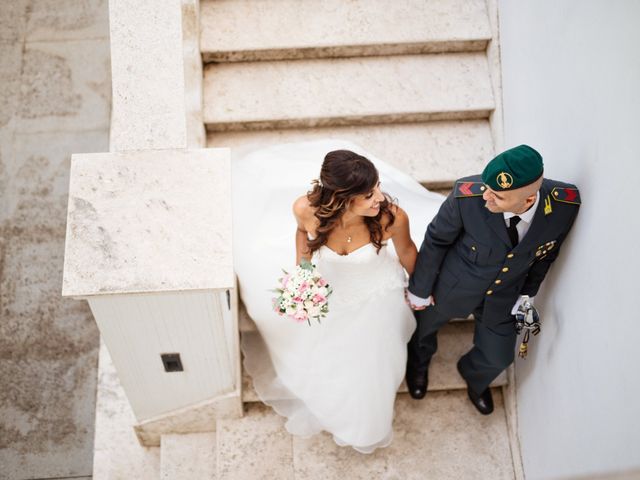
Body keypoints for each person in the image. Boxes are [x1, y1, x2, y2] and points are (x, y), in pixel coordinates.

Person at [232, 140, 443, 453]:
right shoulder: (305, 209)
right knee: (331, 354)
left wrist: (421, 289)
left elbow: (408, 251)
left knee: (375, 361)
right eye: (369, 195)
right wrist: (302, 272)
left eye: (378, 188)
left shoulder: (391, 218)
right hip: (332, 297)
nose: (380, 198)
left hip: (377, 299)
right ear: (341, 199)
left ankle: (370, 412)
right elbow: (303, 234)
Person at [405, 144, 581, 415]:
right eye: (487, 187)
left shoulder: (564, 206)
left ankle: (473, 376)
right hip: (454, 285)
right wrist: (420, 287)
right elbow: (437, 239)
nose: (486, 197)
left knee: (500, 356)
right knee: (423, 328)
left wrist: (527, 294)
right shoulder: (468, 197)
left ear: (529, 200)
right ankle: (418, 362)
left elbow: (546, 254)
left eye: (497, 196)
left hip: (504, 296)